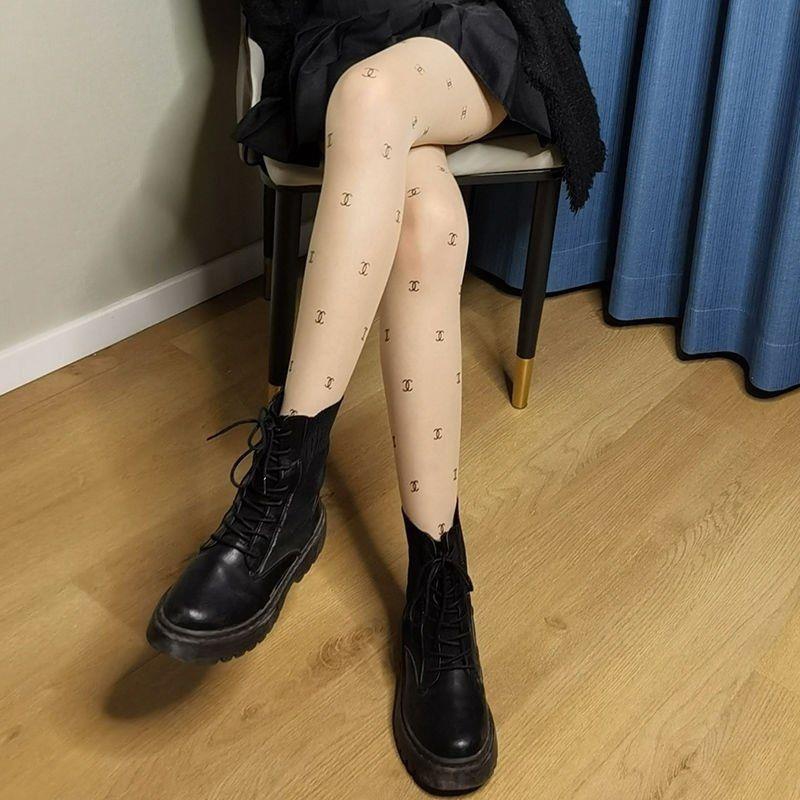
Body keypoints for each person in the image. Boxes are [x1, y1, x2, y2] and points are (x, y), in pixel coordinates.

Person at [147, 0, 604, 793]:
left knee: (374, 97)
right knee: (425, 226)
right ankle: (437, 577)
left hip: (468, 37)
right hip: (337, 34)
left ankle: (283, 494)